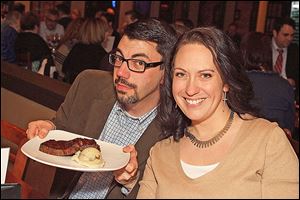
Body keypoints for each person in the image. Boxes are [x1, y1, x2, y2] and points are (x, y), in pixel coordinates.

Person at [137, 27, 299, 198]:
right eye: (181, 74)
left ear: (226, 82)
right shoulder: (160, 153)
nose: (190, 89)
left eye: (205, 75)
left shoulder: (267, 141)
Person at [25, 18, 177, 199]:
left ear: (165, 73)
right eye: (119, 58)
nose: (121, 72)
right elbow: (61, 127)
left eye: (138, 63)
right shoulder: (88, 84)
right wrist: (49, 128)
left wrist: (130, 183)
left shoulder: (176, 132)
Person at [240, 31, 295, 137]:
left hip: (240, 146)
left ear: (243, 53)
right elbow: (289, 128)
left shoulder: (236, 83)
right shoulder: (285, 86)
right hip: (274, 147)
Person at [62, 18, 109, 84]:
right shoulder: (101, 55)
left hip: (72, 89)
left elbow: (65, 68)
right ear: (99, 33)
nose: (108, 34)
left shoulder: (77, 48)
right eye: (106, 31)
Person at [271, 17, 299, 103]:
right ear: (275, 33)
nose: (290, 39)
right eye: (286, 35)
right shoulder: (263, 47)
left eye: (292, 35)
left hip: (288, 97)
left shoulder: (295, 51)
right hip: (267, 92)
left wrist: (294, 82)